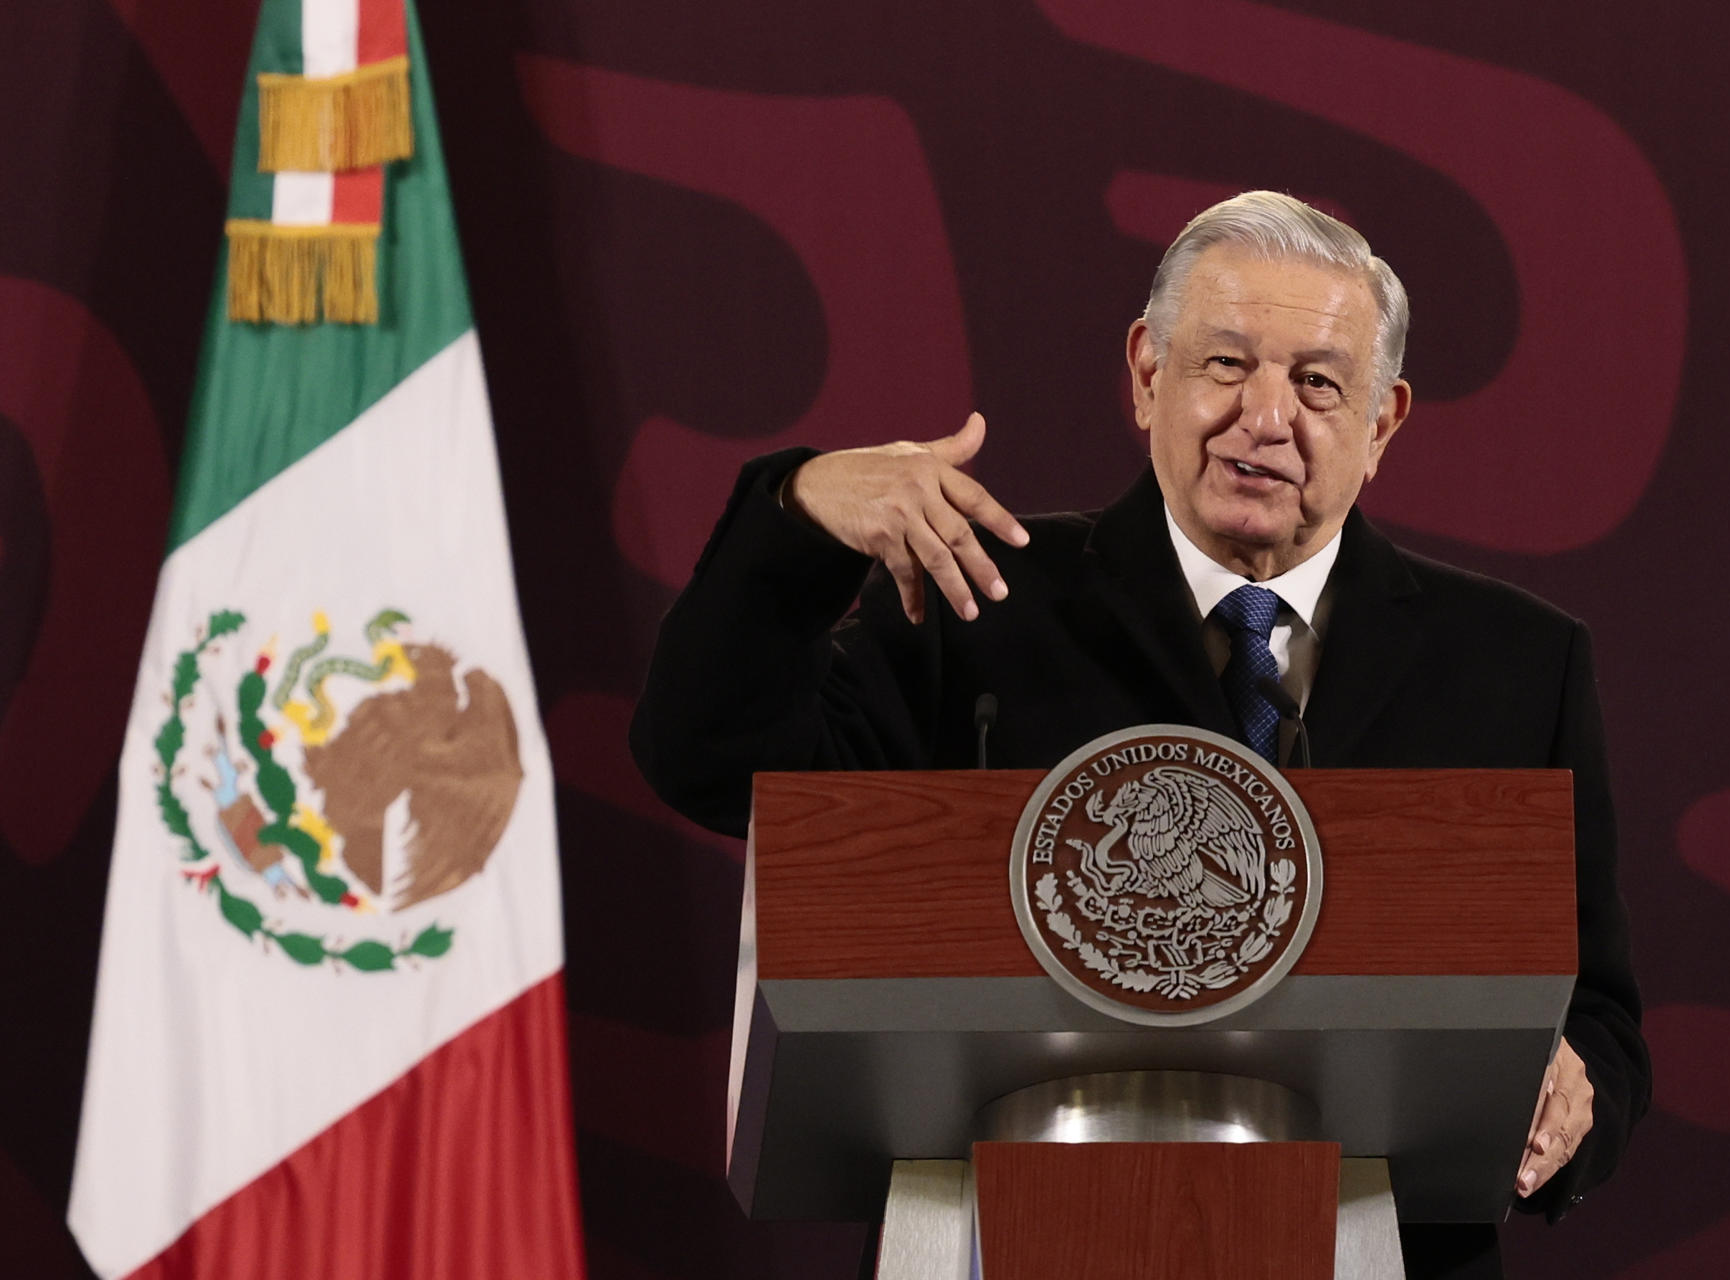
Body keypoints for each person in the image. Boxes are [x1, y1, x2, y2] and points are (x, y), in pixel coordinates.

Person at [633, 190, 1648, 1279]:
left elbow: (1597, 1012)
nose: (1267, 416)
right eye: (1224, 364)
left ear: (1383, 421)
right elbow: (710, 757)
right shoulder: (978, 602)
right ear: (1146, 373)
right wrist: (796, 515)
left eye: (1316, 382)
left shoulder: (1515, 663)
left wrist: (1574, 1084)